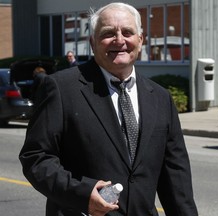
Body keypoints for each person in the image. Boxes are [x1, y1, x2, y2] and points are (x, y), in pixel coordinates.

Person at [19, 2, 198, 216]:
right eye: (108, 33)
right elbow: (36, 157)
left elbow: (177, 181)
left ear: (140, 41)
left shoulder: (161, 98)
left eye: (128, 32)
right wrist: (82, 195)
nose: (120, 40)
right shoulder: (61, 88)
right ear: (93, 42)